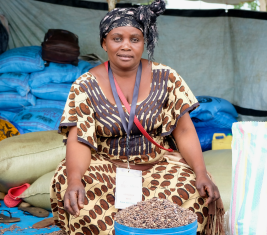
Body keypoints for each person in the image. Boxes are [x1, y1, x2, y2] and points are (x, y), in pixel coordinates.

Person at [50, 1, 224, 234]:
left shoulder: (167, 77)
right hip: (106, 166)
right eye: (117, 38)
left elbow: (183, 130)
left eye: (135, 39)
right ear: (104, 42)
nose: (126, 46)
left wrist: (201, 173)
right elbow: (80, 139)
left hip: (158, 166)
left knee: (195, 191)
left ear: (144, 43)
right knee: (69, 183)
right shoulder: (85, 86)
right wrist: (74, 180)